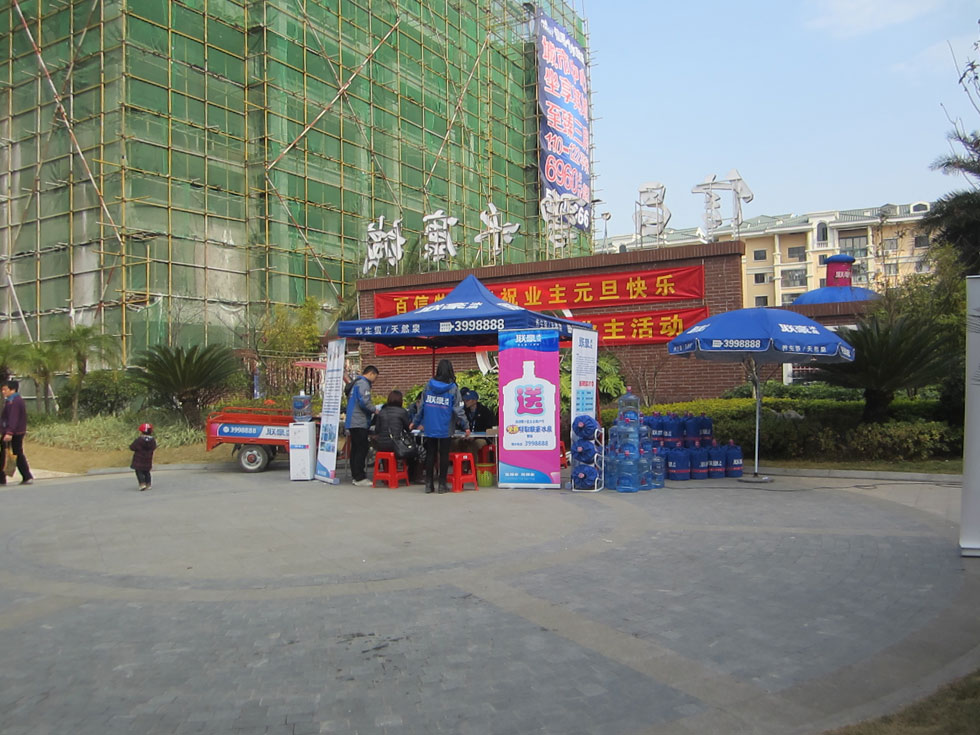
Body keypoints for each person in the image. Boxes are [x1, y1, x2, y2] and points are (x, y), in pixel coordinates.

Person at [411, 359, 469, 494]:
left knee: (430, 454)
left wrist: (415, 421)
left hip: (430, 426)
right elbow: (458, 409)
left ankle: (428, 484)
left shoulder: (429, 386)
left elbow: (422, 406)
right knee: (444, 455)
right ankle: (442, 485)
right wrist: (465, 425)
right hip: (445, 426)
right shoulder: (453, 388)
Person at [344, 365, 380, 487]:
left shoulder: (355, 383)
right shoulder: (364, 384)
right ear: (371, 373)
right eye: (375, 377)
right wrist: (374, 410)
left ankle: (355, 475)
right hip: (359, 421)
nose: (375, 380)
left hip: (352, 420)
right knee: (362, 448)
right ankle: (359, 477)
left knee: (355, 449)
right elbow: (364, 402)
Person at [372, 390, 417, 484]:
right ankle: (411, 476)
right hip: (396, 445)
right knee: (413, 451)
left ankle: (386, 474)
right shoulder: (402, 412)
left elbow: (377, 430)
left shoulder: (381, 412)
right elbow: (408, 428)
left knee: (386, 454)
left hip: (381, 445)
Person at [1, 379, 33, 486]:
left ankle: (27, 476)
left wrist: (9, 432)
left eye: (5, 389)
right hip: (11, 431)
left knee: (17, 453)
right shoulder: (10, 400)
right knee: (8, 454)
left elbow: (13, 418)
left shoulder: (15, 401)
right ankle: (3, 478)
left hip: (15, 432)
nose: (3, 392)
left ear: (13, 389)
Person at [129, 422, 157, 491]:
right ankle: (148, 484)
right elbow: (154, 447)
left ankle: (142, 484)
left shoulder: (139, 440)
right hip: (148, 459)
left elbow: (132, 447)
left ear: (141, 432)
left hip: (139, 459)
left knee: (139, 472)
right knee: (147, 472)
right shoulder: (152, 440)